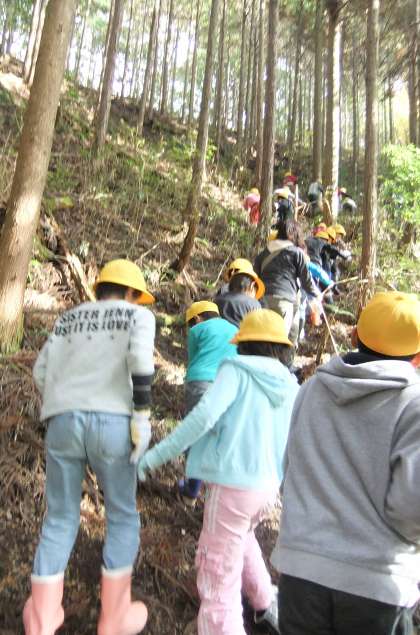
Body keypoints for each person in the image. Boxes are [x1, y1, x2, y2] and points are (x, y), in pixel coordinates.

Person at [137, 309, 300, 635]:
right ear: (281, 348)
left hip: (232, 486)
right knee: (241, 538)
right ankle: (265, 603)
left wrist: (153, 457)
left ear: (243, 344)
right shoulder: (290, 384)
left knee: (215, 571)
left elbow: (202, 418)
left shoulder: (236, 371)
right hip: (267, 487)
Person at [271, 291, 420, 635]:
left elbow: (289, 471)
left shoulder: (311, 388)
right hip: (376, 580)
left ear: (355, 336)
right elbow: (410, 507)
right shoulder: (413, 404)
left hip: (300, 569)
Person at [24, 259, 156, 635]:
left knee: (60, 517)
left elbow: (40, 372)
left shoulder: (68, 319)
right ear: (131, 293)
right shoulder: (137, 316)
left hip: (63, 423)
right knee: (122, 515)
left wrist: (64, 401)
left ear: (100, 289)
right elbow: (140, 361)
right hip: (113, 424)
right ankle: (113, 619)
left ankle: (42, 620)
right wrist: (141, 416)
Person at [179, 300, 237, 505]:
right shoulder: (235, 330)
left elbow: (194, 359)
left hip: (200, 383)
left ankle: (191, 491)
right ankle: (217, 496)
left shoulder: (197, 330)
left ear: (196, 318)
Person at [254, 219, 320, 360]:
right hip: (284, 301)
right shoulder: (296, 253)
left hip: (262, 300)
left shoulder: (263, 254)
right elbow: (306, 280)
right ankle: (282, 367)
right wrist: (316, 294)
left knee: (264, 339)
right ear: (295, 234)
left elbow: (255, 278)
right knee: (280, 341)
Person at [215, 261, 264, 327]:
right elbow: (258, 327)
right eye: (256, 290)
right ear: (252, 285)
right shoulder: (253, 304)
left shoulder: (217, 300)